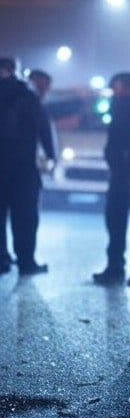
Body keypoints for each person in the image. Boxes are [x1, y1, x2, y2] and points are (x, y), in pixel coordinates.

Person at [93, 72, 130, 285]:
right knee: (117, 219)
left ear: (129, 86)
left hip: (129, 170)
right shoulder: (123, 104)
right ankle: (116, 265)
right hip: (122, 170)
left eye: (117, 85)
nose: (114, 89)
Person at [0, 56, 56, 276]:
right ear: (14, 70)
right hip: (22, 166)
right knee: (25, 217)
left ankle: (2, 259)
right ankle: (26, 262)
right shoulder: (27, 95)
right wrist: (51, 155)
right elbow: (42, 126)